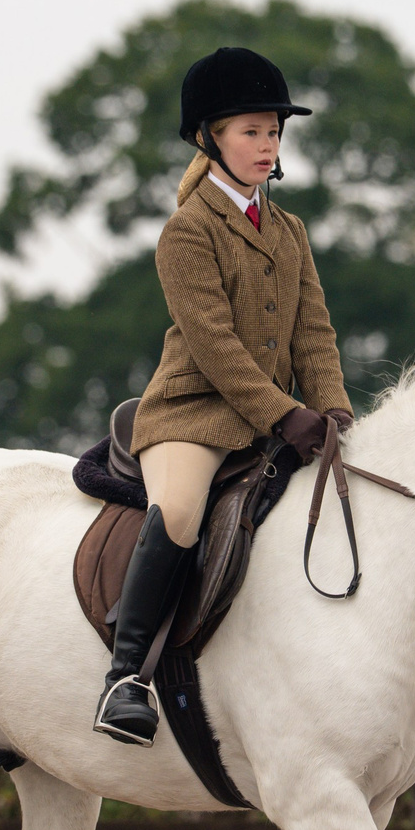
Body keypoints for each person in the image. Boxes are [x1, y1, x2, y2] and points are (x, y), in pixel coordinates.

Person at [94, 47, 354, 744]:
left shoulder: (291, 231)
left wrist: (332, 410)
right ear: (209, 137)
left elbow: (314, 333)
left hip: (276, 420)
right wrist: (285, 412)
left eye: (274, 132)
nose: (267, 146)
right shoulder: (188, 231)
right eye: (251, 132)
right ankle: (126, 677)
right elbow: (215, 346)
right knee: (179, 510)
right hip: (194, 413)